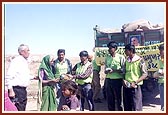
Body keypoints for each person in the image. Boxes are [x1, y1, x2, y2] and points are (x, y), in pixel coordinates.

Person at [5, 44, 35, 111]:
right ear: (22, 52)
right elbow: (8, 77)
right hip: (17, 90)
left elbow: (22, 75)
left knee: (22, 108)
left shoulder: (24, 61)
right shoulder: (16, 61)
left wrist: (33, 77)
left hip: (23, 90)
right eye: (28, 50)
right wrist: (11, 90)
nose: (29, 52)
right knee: (18, 108)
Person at [123, 44, 148, 111]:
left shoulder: (140, 60)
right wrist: (124, 81)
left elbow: (145, 74)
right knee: (127, 107)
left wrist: (135, 82)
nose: (125, 52)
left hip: (135, 87)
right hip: (126, 86)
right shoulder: (126, 61)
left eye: (126, 50)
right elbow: (124, 72)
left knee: (136, 107)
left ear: (131, 51)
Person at [104, 41, 125, 111]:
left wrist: (114, 70)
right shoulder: (107, 58)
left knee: (119, 99)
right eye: (108, 48)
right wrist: (107, 71)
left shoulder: (121, 57)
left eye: (110, 48)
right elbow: (105, 70)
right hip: (109, 80)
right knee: (110, 99)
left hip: (118, 80)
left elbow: (123, 70)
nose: (109, 50)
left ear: (115, 48)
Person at [153, 44, 164, 111]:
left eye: (161, 51)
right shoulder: (160, 60)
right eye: (159, 51)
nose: (160, 53)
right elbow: (159, 71)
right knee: (163, 105)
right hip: (161, 83)